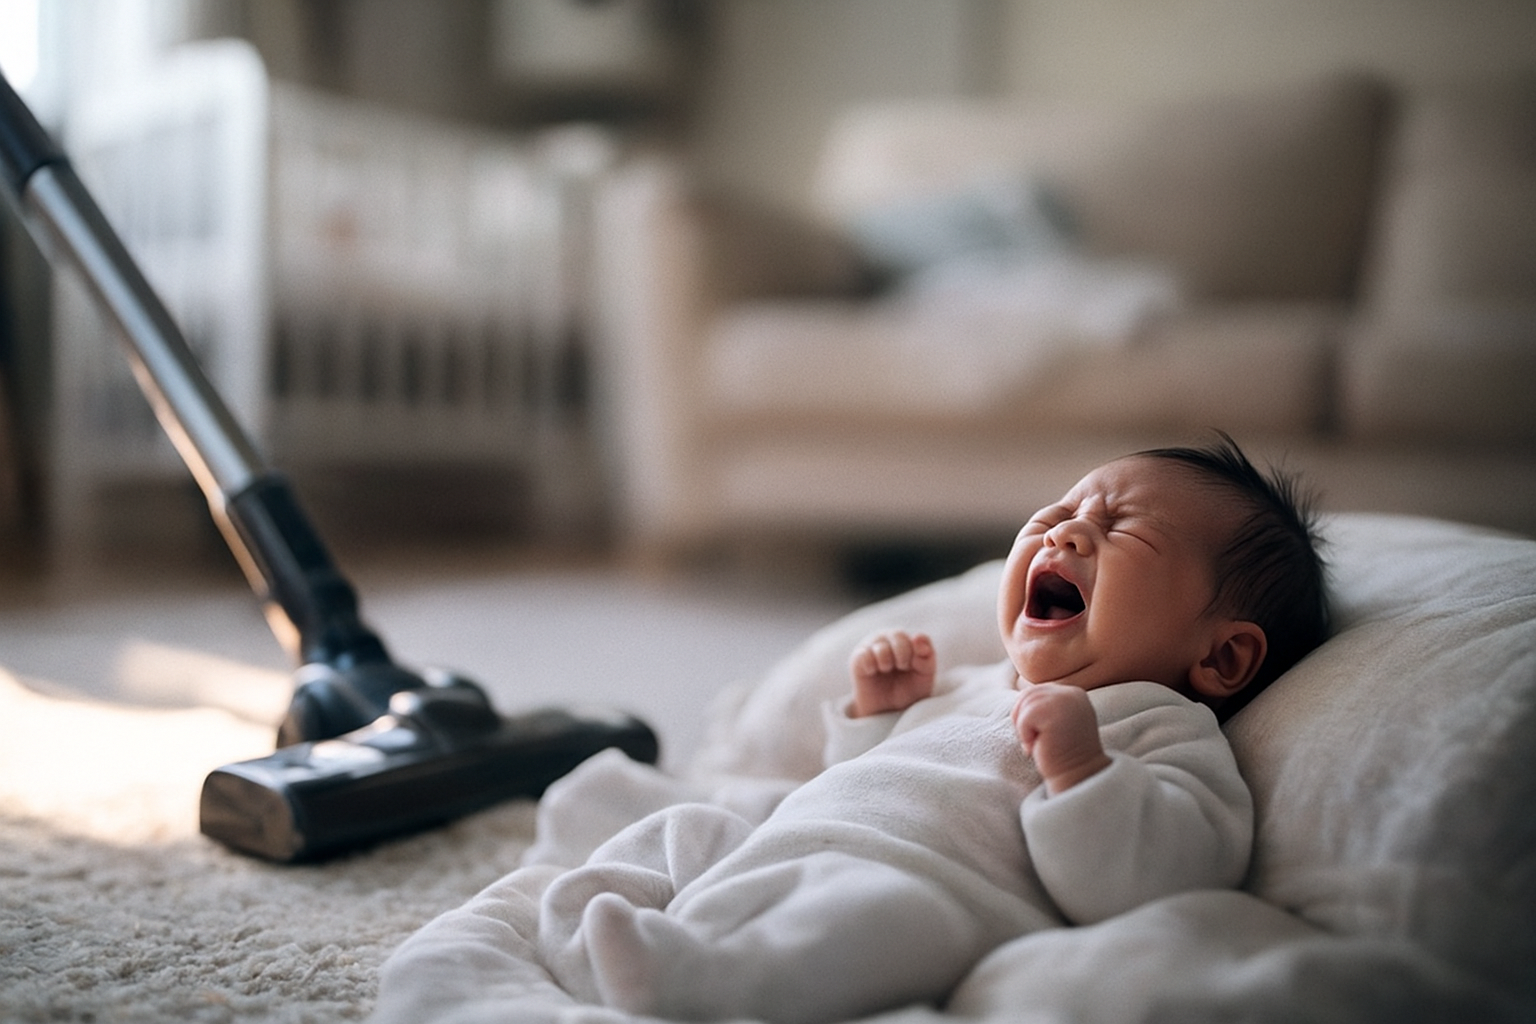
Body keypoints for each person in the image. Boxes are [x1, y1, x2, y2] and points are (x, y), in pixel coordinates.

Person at [538, 435, 1329, 1024]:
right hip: (803, 839)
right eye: (1059, 513)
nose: (1063, 533)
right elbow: (865, 778)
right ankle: (592, 921)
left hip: (918, 893)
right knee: (685, 826)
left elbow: (1156, 883)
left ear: (1222, 657)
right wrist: (883, 715)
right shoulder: (972, 683)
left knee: (880, 927)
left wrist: (1085, 773)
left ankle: (704, 983)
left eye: (1122, 529)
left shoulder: (1164, 730)